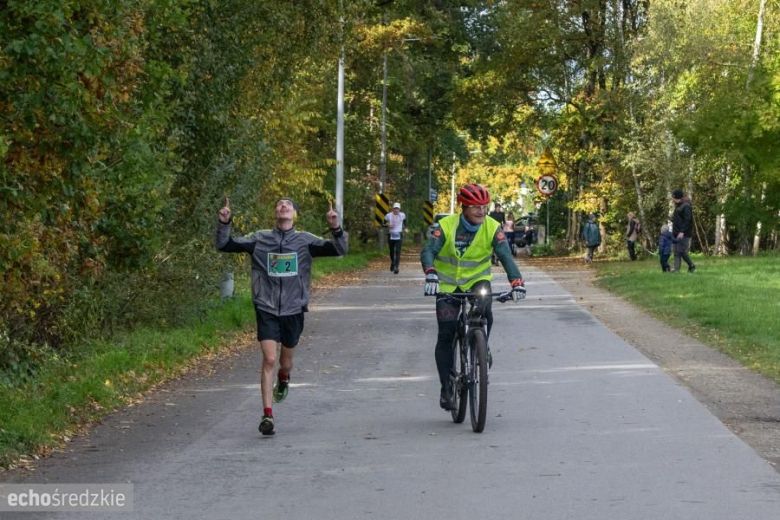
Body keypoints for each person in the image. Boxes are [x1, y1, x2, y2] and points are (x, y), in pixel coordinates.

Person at [215, 197, 348, 435]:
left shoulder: (305, 241)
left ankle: (284, 376)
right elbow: (224, 245)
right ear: (275, 212)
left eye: (288, 205)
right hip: (266, 307)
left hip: (293, 310)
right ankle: (267, 415)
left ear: (294, 213)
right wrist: (225, 222)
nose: (283, 206)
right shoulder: (259, 239)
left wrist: (335, 227)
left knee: (285, 362)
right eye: (279, 204)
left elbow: (341, 250)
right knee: (268, 359)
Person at [421, 184, 526, 411]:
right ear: (464, 207)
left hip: (477, 281)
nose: (481, 211)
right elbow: (428, 250)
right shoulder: (445, 226)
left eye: (484, 206)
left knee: (485, 309)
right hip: (447, 286)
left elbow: (505, 255)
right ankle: (446, 386)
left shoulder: (492, 227)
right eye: (475, 207)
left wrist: (517, 282)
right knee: (446, 333)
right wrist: (430, 274)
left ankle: (481, 345)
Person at [671, 189, 696, 273]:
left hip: (684, 233)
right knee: (676, 251)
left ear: (676, 197)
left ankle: (691, 265)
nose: (672, 199)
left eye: (673, 197)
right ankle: (676, 269)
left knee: (681, 251)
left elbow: (688, 220)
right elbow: (679, 219)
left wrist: (682, 231)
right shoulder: (678, 205)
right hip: (676, 233)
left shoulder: (686, 206)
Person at [384, 202, 406, 274]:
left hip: (399, 234)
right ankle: (393, 262)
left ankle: (396, 267)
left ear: (399, 209)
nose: (396, 210)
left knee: (398, 251)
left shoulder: (402, 215)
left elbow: (406, 222)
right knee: (391, 251)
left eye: (397, 209)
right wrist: (388, 225)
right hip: (391, 234)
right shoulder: (388, 215)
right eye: (395, 208)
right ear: (393, 209)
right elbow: (383, 223)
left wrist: (406, 228)